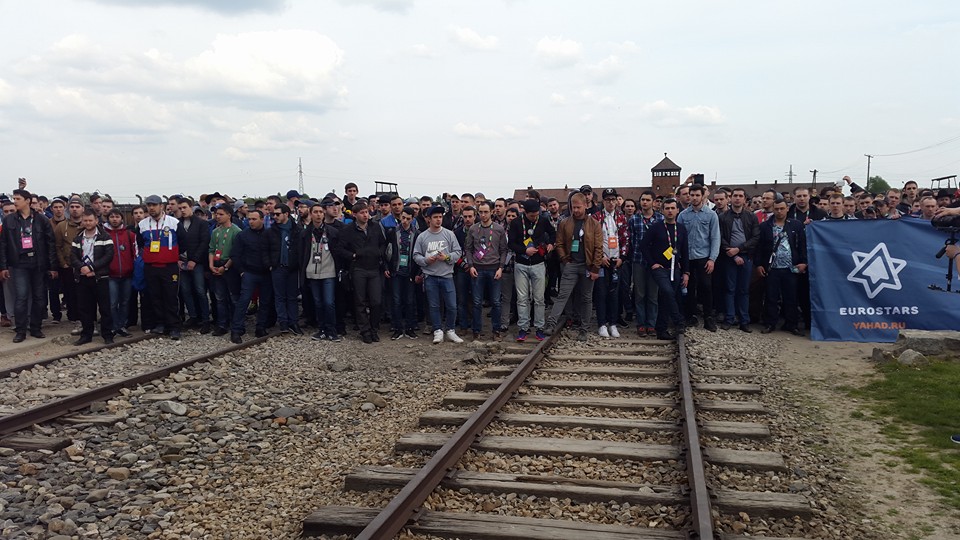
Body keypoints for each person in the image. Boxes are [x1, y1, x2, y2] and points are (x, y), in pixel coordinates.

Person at [0, 189, 58, 343]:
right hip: (19, 263)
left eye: (17, 199)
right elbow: (3, 244)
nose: (15, 201)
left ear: (27, 201)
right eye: (14, 198)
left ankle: (36, 327)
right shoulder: (9, 220)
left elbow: (50, 244)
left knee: (39, 297)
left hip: (38, 263)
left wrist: (52, 266)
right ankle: (20, 330)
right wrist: (3, 266)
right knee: (21, 297)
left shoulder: (41, 219)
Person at [543, 192, 602, 341]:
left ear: (585, 206)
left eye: (578, 207)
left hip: (588, 265)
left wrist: (595, 268)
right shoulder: (565, 223)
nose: (575, 210)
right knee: (563, 295)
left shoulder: (594, 224)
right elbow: (559, 243)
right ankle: (551, 324)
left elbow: (598, 248)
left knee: (586, 298)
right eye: (573, 207)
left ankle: (584, 329)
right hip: (571, 264)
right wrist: (564, 259)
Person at [336, 201, 388, 344]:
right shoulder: (348, 230)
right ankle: (365, 331)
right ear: (354, 214)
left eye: (367, 212)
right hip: (358, 268)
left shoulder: (375, 226)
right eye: (362, 213)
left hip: (374, 268)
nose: (366, 215)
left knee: (376, 301)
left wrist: (379, 253)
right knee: (360, 301)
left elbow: (383, 243)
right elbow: (340, 249)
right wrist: (352, 255)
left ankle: (374, 328)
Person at [756, 199, 807, 336]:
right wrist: (759, 264)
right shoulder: (765, 226)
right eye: (777, 209)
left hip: (791, 267)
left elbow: (802, 245)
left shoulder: (796, 225)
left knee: (791, 297)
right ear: (773, 209)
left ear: (787, 209)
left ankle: (791, 324)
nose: (779, 211)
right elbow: (759, 247)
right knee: (771, 297)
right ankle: (770, 323)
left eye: (782, 208)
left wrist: (804, 262)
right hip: (771, 268)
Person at [641, 198, 689, 341]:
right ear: (662, 211)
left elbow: (685, 251)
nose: (670, 211)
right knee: (668, 291)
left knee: (667, 298)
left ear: (677, 210)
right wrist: (652, 263)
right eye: (667, 208)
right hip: (660, 268)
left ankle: (661, 329)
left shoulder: (681, 228)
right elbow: (643, 245)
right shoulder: (656, 227)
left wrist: (686, 272)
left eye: (672, 208)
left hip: (675, 268)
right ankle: (679, 320)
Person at [509, 198, 555, 342]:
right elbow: (511, 243)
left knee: (539, 298)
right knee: (522, 298)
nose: (535, 217)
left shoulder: (543, 220)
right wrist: (524, 250)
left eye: (536, 215)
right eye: (532, 216)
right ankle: (523, 327)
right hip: (521, 264)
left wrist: (551, 243)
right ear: (525, 212)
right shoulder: (516, 223)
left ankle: (539, 327)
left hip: (538, 264)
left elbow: (553, 233)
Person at [676, 184, 720, 332]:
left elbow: (715, 238)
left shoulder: (711, 215)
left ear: (702, 196)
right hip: (687, 257)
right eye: (692, 195)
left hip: (703, 257)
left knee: (706, 287)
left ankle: (708, 317)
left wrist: (712, 259)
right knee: (689, 287)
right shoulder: (683, 215)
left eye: (697, 195)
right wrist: (679, 258)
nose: (694, 198)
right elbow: (678, 238)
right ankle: (691, 315)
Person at [465, 201, 508, 340]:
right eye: (481, 212)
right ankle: (476, 331)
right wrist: (471, 265)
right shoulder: (473, 229)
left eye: (486, 212)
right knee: (477, 302)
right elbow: (468, 249)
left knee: (496, 302)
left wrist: (501, 267)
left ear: (491, 212)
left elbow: (503, 250)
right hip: (477, 269)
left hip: (494, 269)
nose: (483, 215)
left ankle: (496, 331)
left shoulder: (499, 229)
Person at [718, 188, 760, 332]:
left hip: (746, 256)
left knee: (744, 290)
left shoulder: (751, 217)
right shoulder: (723, 217)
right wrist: (733, 253)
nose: (737, 198)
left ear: (744, 199)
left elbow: (755, 237)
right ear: (730, 198)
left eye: (740, 196)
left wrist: (740, 249)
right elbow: (719, 237)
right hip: (729, 257)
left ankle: (744, 320)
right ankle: (729, 318)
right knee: (729, 289)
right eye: (735, 196)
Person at [70, 209, 114, 345]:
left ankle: (107, 335)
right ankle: (86, 335)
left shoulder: (105, 237)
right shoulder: (78, 238)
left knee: (105, 308)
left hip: (100, 277)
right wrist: (82, 268)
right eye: (85, 220)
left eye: (90, 220)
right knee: (85, 308)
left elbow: (108, 256)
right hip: (83, 277)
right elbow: (73, 256)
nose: (88, 223)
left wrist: (91, 268)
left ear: (96, 221)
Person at [230, 209, 273, 343]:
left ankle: (261, 327)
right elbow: (235, 254)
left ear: (262, 219)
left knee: (265, 302)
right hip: (249, 273)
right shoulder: (243, 235)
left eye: (254, 219)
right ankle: (236, 329)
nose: (251, 222)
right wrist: (241, 271)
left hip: (266, 273)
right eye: (249, 219)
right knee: (244, 301)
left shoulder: (269, 234)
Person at [591, 188, 630, 338]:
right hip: (601, 261)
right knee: (601, 293)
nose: (611, 202)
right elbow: (591, 241)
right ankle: (602, 324)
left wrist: (622, 258)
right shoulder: (596, 217)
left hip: (616, 261)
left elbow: (625, 239)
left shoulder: (621, 217)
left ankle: (613, 323)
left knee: (614, 293)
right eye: (608, 200)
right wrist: (599, 257)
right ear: (603, 201)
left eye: (613, 199)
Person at [302, 200, 342, 342]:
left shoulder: (332, 232)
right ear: (311, 214)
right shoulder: (305, 233)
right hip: (312, 272)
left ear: (324, 214)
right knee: (318, 303)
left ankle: (332, 330)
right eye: (315, 212)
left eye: (320, 212)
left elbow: (338, 252)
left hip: (328, 271)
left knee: (329, 302)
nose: (318, 215)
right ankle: (322, 329)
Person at [629, 190, 663, 337]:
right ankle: (641, 324)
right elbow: (631, 240)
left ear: (653, 202)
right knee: (640, 294)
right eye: (642, 199)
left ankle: (651, 324)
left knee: (653, 295)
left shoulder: (660, 219)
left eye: (648, 200)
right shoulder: (634, 219)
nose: (644, 202)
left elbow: (665, 241)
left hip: (655, 263)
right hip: (639, 261)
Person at [175, 197, 211, 333]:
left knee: (200, 291)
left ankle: (205, 320)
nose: (182, 210)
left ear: (191, 207)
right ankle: (193, 316)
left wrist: (194, 260)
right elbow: (174, 243)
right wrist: (177, 259)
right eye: (180, 208)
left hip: (197, 263)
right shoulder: (177, 224)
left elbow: (204, 242)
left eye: (184, 207)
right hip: (182, 262)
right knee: (185, 291)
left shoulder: (201, 224)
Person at [268, 204, 303, 335]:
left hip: (292, 268)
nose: (275, 217)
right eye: (273, 214)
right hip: (278, 267)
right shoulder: (271, 231)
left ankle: (293, 322)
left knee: (292, 296)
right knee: (279, 296)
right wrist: (270, 264)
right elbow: (265, 249)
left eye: (278, 214)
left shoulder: (297, 230)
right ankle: (283, 322)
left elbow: (300, 249)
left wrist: (298, 263)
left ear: (286, 214)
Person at [208, 203, 242, 337]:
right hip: (217, 264)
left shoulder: (236, 231)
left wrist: (225, 267)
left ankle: (236, 324)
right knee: (220, 297)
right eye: (216, 214)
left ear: (229, 215)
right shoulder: (215, 232)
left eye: (221, 214)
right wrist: (211, 265)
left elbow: (236, 253)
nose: (218, 216)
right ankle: (222, 324)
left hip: (230, 267)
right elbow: (211, 249)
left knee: (234, 297)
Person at [104, 209, 137, 337]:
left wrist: (133, 268)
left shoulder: (130, 234)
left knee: (125, 302)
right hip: (111, 275)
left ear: (122, 218)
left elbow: (135, 254)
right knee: (112, 303)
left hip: (127, 274)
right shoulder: (104, 234)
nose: (114, 219)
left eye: (117, 216)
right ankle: (114, 326)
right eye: (112, 217)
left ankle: (122, 326)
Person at [55, 197, 85, 335]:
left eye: (77, 207)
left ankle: (90, 319)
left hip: (86, 266)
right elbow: (57, 246)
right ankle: (76, 319)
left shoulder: (89, 223)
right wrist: (63, 263)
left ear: (83, 209)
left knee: (87, 294)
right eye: (72, 207)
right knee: (72, 294)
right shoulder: (62, 226)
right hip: (69, 267)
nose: (74, 209)